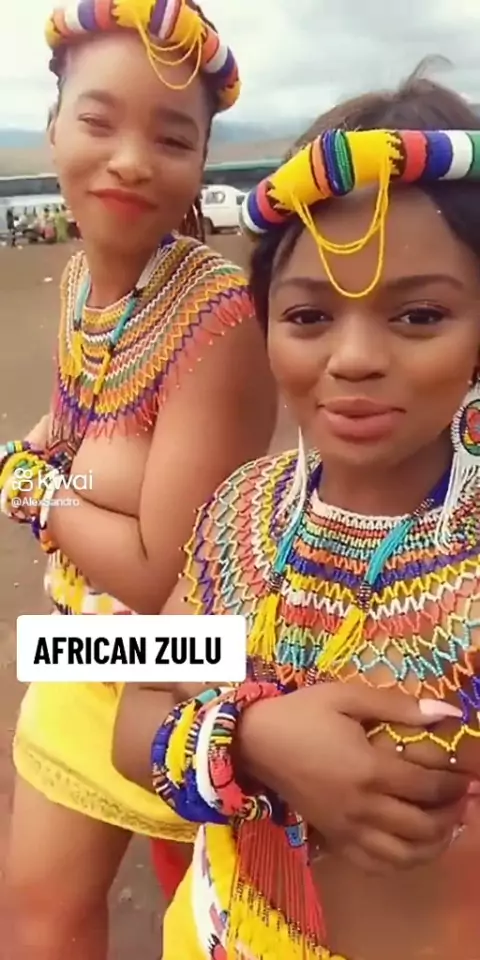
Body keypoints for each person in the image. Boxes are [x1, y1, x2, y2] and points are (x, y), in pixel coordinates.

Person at [113, 70, 480, 960]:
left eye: (419, 314)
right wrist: (254, 738)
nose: (352, 358)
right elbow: (132, 710)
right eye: (310, 315)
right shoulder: (246, 510)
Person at [1, 2, 276, 958]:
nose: (129, 160)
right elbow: (65, 424)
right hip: (82, 640)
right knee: (35, 917)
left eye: (171, 138)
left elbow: (162, 571)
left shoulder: (218, 321)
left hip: (182, 671)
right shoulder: (82, 282)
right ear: (52, 128)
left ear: (201, 160)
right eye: (97, 121)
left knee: (195, 917)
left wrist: (34, 490)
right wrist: (47, 468)